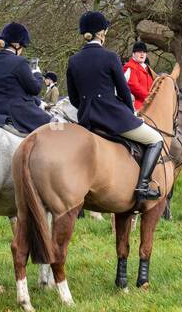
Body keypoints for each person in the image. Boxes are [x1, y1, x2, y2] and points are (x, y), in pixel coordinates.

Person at [67, 11, 164, 208]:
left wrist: (88, 110)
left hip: (87, 120)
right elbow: (124, 91)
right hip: (114, 119)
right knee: (156, 139)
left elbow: (74, 98)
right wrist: (131, 114)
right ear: (101, 33)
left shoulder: (74, 60)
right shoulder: (110, 57)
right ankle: (143, 186)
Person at [0, 23, 52, 134]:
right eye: (23, 46)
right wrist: (37, 74)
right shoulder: (20, 62)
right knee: (54, 126)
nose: (22, 49)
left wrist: (38, 102)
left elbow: (15, 90)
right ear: (17, 45)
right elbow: (35, 89)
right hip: (18, 112)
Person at [122, 41, 155, 112]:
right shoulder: (129, 67)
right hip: (136, 107)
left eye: (144, 52)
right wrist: (150, 97)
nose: (142, 54)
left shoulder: (147, 68)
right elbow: (134, 86)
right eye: (139, 51)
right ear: (133, 54)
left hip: (149, 105)